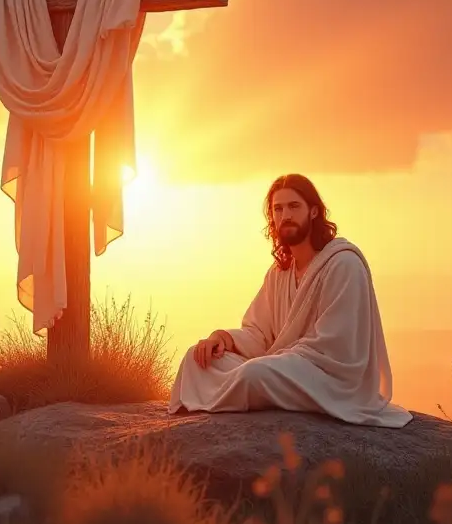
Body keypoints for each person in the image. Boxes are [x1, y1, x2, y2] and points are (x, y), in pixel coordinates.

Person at [167, 173, 412, 427]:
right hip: (284, 368)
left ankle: (244, 391)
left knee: (254, 373)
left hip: (329, 377)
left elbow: (336, 345)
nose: (286, 216)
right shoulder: (279, 272)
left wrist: (276, 359)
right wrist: (223, 339)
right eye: (278, 209)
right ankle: (246, 389)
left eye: (294, 207)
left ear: (314, 212)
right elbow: (259, 334)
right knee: (197, 359)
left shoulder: (343, 263)